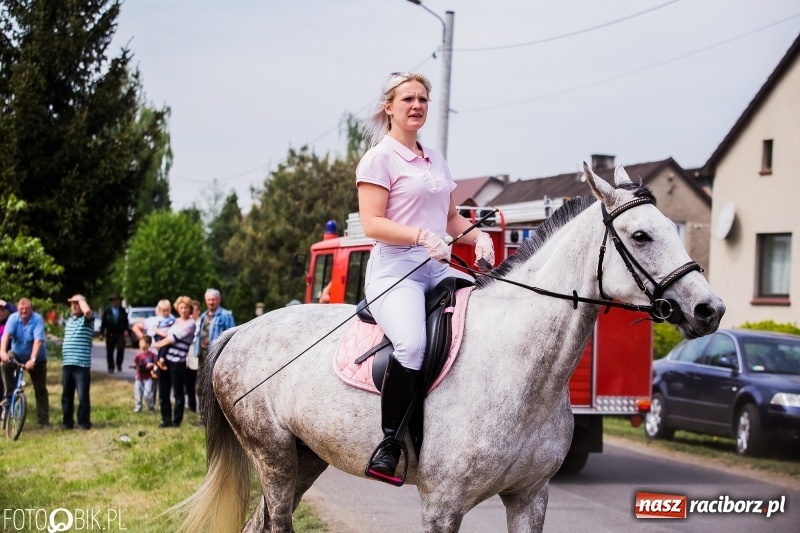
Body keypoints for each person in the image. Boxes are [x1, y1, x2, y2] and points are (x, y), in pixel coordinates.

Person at [356, 72, 495, 478]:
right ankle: (390, 443)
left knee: (490, 316)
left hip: (438, 268)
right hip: (395, 272)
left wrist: (478, 237)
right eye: (408, 99)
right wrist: (419, 236)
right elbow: (372, 224)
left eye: (423, 99)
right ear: (389, 107)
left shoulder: (435, 157)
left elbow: (450, 218)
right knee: (412, 344)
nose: (417, 106)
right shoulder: (378, 159)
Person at [0, 298, 50, 427]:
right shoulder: (13, 318)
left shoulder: (37, 319)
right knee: (5, 364)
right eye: (21, 309)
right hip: (17, 354)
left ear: (31, 309)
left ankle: (43, 421)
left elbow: (38, 341)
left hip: (37, 358)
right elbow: (6, 336)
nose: (23, 311)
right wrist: (3, 352)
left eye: (26, 309)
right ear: (17, 309)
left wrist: (32, 359)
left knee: (40, 389)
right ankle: (8, 397)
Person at [154, 296, 196, 428]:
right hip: (165, 361)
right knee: (163, 392)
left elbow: (174, 337)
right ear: (177, 308)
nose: (183, 310)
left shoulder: (191, 323)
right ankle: (165, 419)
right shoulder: (174, 321)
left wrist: (160, 343)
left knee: (178, 393)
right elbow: (162, 332)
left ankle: (176, 421)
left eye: (186, 308)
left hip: (178, 362)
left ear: (190, 309)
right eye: (181, 307)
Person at [192, 289, 235, 414]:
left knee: (216, 386)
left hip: (216, 356)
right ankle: (203, 415)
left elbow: (231, 337)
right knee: (201, 386)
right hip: (202, 356)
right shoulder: (203, 316)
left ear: (219, 300)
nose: (211, 302)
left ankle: (218, 416)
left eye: (213, 299)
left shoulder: (226, 316)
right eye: (209, 300)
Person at [61, 294, 94, 430]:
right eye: (72, 303)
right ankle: (67, 422)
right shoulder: (69, 321)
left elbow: (87, 312)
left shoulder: (87, 320)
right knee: (67, 395)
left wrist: (81, 300)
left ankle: (84, 422)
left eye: (77, 303)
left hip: (81, 364)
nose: (74, 306)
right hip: (67, 363)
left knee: (82, 395)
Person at [100, 293, 129, 373]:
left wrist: (126, 330)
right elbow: (103, 323)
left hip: (120, 332)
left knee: (120, 348)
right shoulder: (107, 311)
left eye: (117, 300)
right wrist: (101, 333)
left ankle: (119, 364)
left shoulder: (122, 310)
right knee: (110, 350)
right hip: (111, 332)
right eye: (114, 301)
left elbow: (126, 322)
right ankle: (111, 366)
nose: (116, 302)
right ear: (112, 302)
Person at [184, 299, 202, 413]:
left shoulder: (202, 321)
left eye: (193, 310)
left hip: (198, 356)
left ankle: (201, 409)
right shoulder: (187, 322)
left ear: (198, 311)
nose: (191, 313)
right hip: (187, 357)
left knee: (199, 384)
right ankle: (191, 406)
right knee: (188, 383)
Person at [130, 336, 157, 413]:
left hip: (148, 377)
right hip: (139, 377)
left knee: (148, 393)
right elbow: (135, 364)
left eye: (142, 342)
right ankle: (138, 407)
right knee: (138, 392)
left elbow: (156, 364)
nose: (140, 344)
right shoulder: (138, 355)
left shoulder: (152, 355)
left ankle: (150, 408)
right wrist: (137, 367)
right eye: (140, 342)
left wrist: (151, 365)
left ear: (148, 344)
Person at [0, 299, 17, 400]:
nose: (0, 312)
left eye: (2, 310)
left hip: (7, 354)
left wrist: (6, 304)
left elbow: (18, 313)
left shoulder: (10, 322)